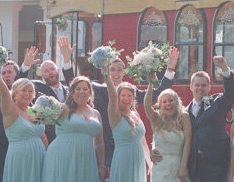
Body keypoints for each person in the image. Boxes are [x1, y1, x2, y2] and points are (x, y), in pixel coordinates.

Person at [53, 40, 176, 173]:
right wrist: (66, 60)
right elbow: (75, 82)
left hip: (125, 147)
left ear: (124, 73)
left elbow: (155, 94)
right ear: (106, 70)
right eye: (112, 70)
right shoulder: (98, 89)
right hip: (103, 145)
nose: (115, 74)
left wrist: (169, 70)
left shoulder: (130, 91)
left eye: (119, 70)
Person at [39, 76, 106, 182]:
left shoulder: (96, 113)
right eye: (78, 89)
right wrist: (31, 111)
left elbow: (99, 142)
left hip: (86, 159)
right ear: (72, 91)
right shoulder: (63, 109)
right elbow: (34, 113)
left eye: (85, 89)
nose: (82, 92)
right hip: (62, 157)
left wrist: (102, 165)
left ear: (90, 92)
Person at [104, 69, 150, 182]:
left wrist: (150, 164)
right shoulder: (115, 114)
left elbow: (144, 143)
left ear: (133, 97)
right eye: (122, 95)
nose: (126, 98)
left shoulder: (136, 116)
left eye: (129, 95)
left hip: (138, 160)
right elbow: (110, 93)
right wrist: (106, 74)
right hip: (123, 159)